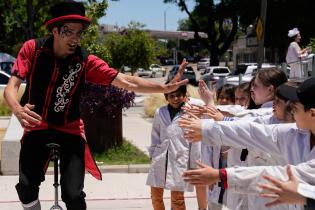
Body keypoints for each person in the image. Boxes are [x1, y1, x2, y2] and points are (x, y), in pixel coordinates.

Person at [3, 2, 187, 210]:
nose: (75, 38)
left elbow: (126, 81)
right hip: (37, 126)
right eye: (68, 32)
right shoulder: (33, 49)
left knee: (73, 195)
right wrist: (17, 110)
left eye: (79, 33)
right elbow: (11, 88)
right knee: (26, 188)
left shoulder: (85, 61)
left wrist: (164, 88)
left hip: (69, 129)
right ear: (55, 30)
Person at [179, 77, 315, 210]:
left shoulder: (296, 131)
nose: (292, 111)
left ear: (312, 113)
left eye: (295, 108)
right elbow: (253, 132)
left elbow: (281, 174)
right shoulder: (297, 134)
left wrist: (221, 176)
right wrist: (206, 128)